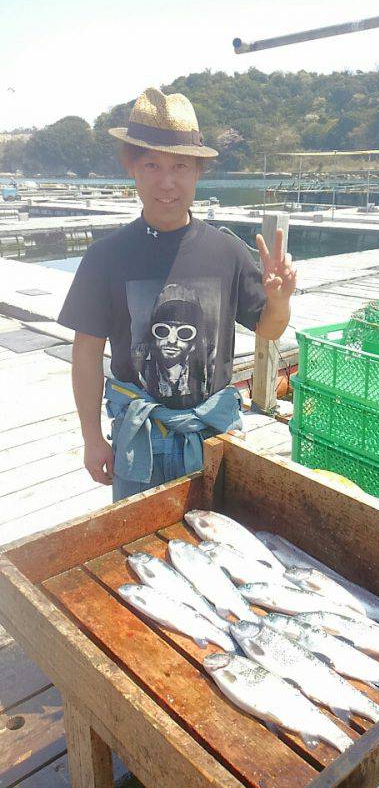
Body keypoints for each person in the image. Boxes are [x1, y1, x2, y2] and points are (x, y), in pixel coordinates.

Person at [58, 86, 296, 501]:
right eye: (152, 164)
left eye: (180, 166)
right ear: (132, 168)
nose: (166, 182)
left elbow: (270, 330)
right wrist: (92, 437)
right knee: (138, 548)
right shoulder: (105, 257)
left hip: (213, 431)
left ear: (199, 172)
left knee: (221, 539)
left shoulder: (227, 251)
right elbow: (86, 352)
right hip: (138, 437)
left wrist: (279, 301)